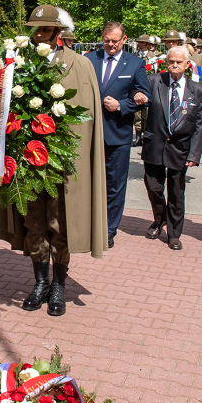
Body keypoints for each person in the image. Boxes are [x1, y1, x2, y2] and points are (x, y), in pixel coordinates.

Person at [0, 5, 107, 317]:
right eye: (35, 29)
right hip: (28, 161)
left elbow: (84, 119)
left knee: (60, 224)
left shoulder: (80, 64)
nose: (38, 35)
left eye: (44, 30)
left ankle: (59, 284)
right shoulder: (21, 63)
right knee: (34, 222)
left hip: (61, 163)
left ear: (58, 33)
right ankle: (40, 282)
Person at [85, 21, 151, 248]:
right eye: (107, 40)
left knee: (115, 185)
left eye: (115, 41)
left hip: (117, 135)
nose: (110, 45)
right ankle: (88, 223)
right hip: (89, 134)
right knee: (88, 181)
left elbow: (144, 96)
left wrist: (122, 105)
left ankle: (108, 229)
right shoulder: (89, 59)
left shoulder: (134, 63)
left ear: (124, 40)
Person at [140, 46, 202, 251]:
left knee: (177, 192)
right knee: (153, 187)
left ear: (187, 64)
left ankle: (174, 233)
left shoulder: (198, 91)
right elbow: (137, 91)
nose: (175, 65)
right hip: (155, 145)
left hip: (181, 148)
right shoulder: (154, 82)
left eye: (179, 62)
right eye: (171, 61)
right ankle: (159, 219)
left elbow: (200, 126)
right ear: (166, 62)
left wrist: (195, 154)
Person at [132, 35, 158, 147]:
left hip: (148, 87)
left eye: (143, 42)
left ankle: (146, 136)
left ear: (148, 44)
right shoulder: (135, 56)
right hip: (137, 88)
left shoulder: (154, 57)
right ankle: (138, 137)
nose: (141, 44)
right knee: (137, 114)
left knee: (147, 113)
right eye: (140, 42)